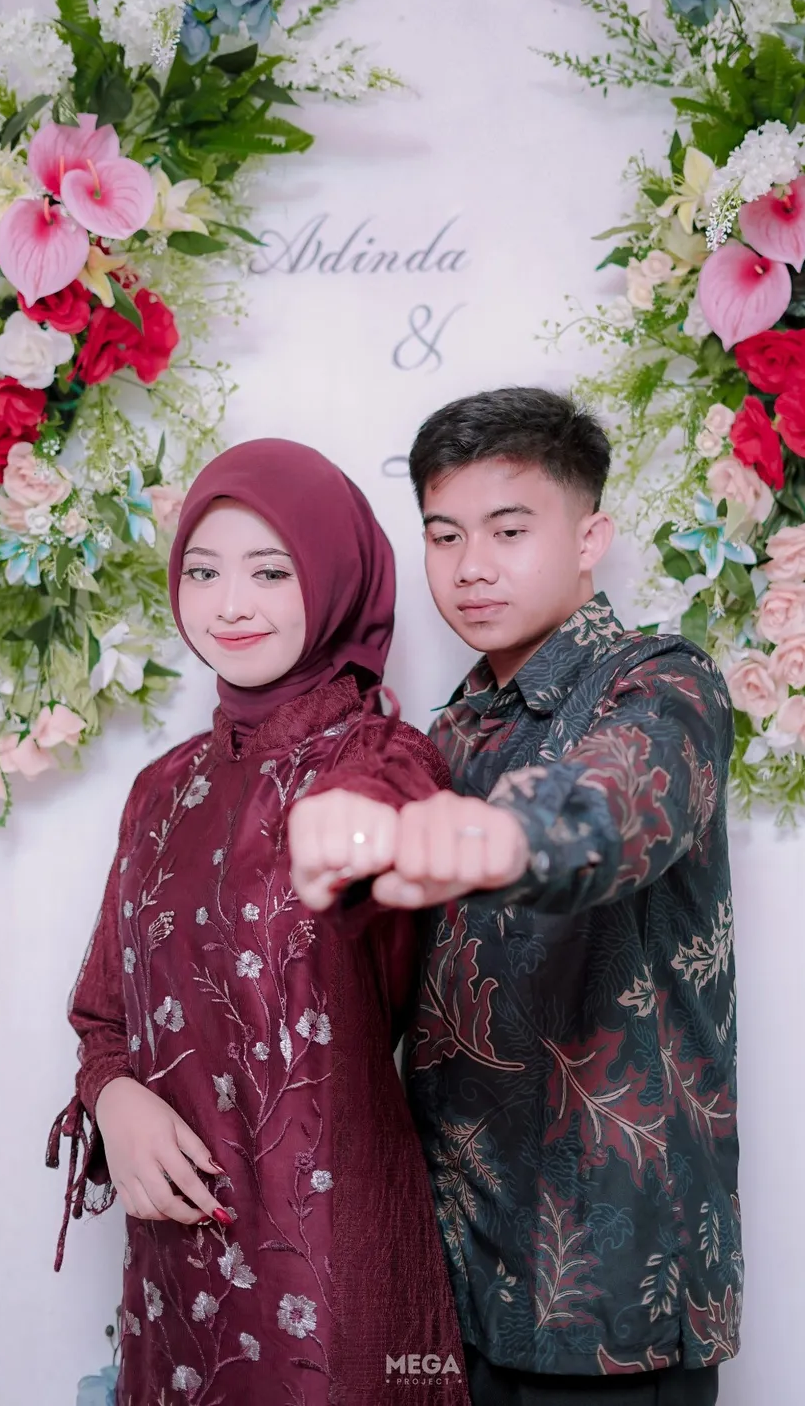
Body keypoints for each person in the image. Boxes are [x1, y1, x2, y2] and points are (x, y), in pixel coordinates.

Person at [289, 389, 740, 1406]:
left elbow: (618, 802)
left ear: (589, 540)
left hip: (614, 1293)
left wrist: (499, 836)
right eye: (443, 534)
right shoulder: (444, 734)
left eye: (507, 529)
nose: (470, 567)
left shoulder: (662, 683)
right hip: (451, 1280)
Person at [47, 439, 469, 1406]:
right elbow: (106, 1013)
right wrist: (113, 1098)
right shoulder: (162, 789)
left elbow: (394, 875)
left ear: (334, 578)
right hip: (173, 1272)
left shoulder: (387, 765)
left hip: (328, 1264)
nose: (229, 604)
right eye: (202, 572)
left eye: (271, 572)